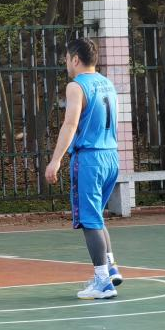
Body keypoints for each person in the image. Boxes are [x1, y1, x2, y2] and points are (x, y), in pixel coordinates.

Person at [45, 37, 124, 300]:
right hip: (111, 156)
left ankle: (102, 282)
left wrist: (56, 159)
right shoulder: (107, 83)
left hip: (90, 159)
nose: (66, 63)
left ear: (75, 59)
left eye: (67, 59)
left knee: (90, 220)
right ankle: (110, 267)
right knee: (96, 216)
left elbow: (70, 124)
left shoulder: (76, 86)